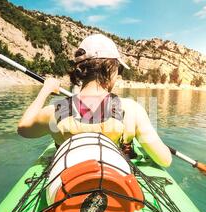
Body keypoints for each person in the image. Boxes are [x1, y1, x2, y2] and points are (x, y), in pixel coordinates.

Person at [18, 34, 172, 167]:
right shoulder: (132, 109)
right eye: (119, 69)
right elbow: (165, 160)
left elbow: (23, 129)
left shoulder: (55, 111)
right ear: (111, 68)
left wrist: (45, 90)